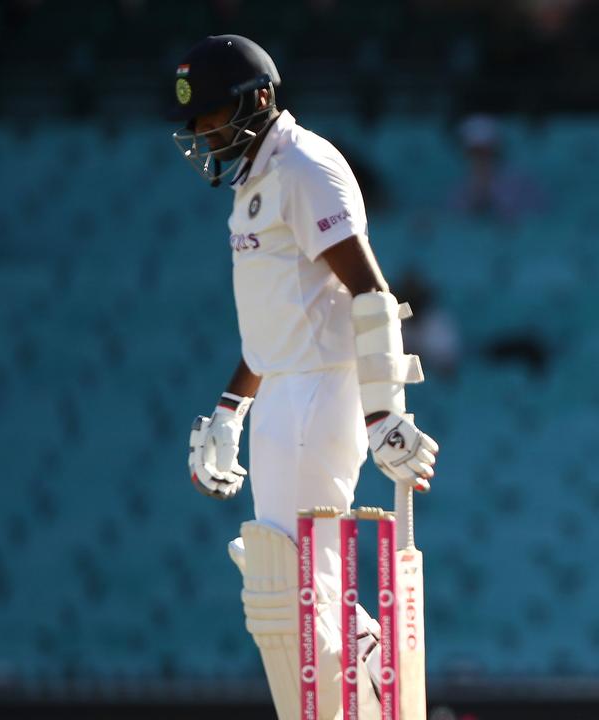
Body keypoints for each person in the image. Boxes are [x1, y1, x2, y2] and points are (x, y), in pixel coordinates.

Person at [168, 35, 439, 720]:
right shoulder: (255, 179)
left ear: (258, 101)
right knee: (289, 580)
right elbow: (271, 325)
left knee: (291, 581)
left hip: (322, 389)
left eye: (213, 119)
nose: (206, 136)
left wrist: (384, 414)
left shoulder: (306, 165)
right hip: (284, 392)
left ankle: (374, 701)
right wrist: (230, 411)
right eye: (196, 126)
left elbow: (370, 293)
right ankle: (378, 699)